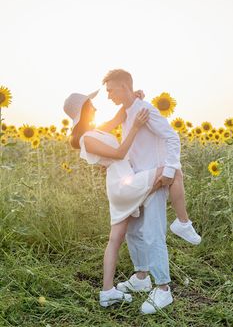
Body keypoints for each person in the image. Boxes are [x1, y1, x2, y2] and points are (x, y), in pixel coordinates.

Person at [99, 69, 201, 314]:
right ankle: (142, 277)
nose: (109, 95)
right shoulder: (127, 112)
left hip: (154, 179)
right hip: (135, 181)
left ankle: (163, 288)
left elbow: (172, 137)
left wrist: (170, 169)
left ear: (124, 86)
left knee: (152, 232)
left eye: (111, 90)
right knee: (134, 232)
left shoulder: (146, 109)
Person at [63, 91, 166, 308]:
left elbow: (118, 118)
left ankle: (108, 291)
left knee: (117, 238)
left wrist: (131, 96)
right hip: (122, 183)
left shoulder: (95, 131)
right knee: (169, 171)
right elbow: (119, 153)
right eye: (91, 105)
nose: (96, 108)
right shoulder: (86, 139)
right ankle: (183, 222)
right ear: (83, 110)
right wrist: (136, 126)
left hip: (123, 181)